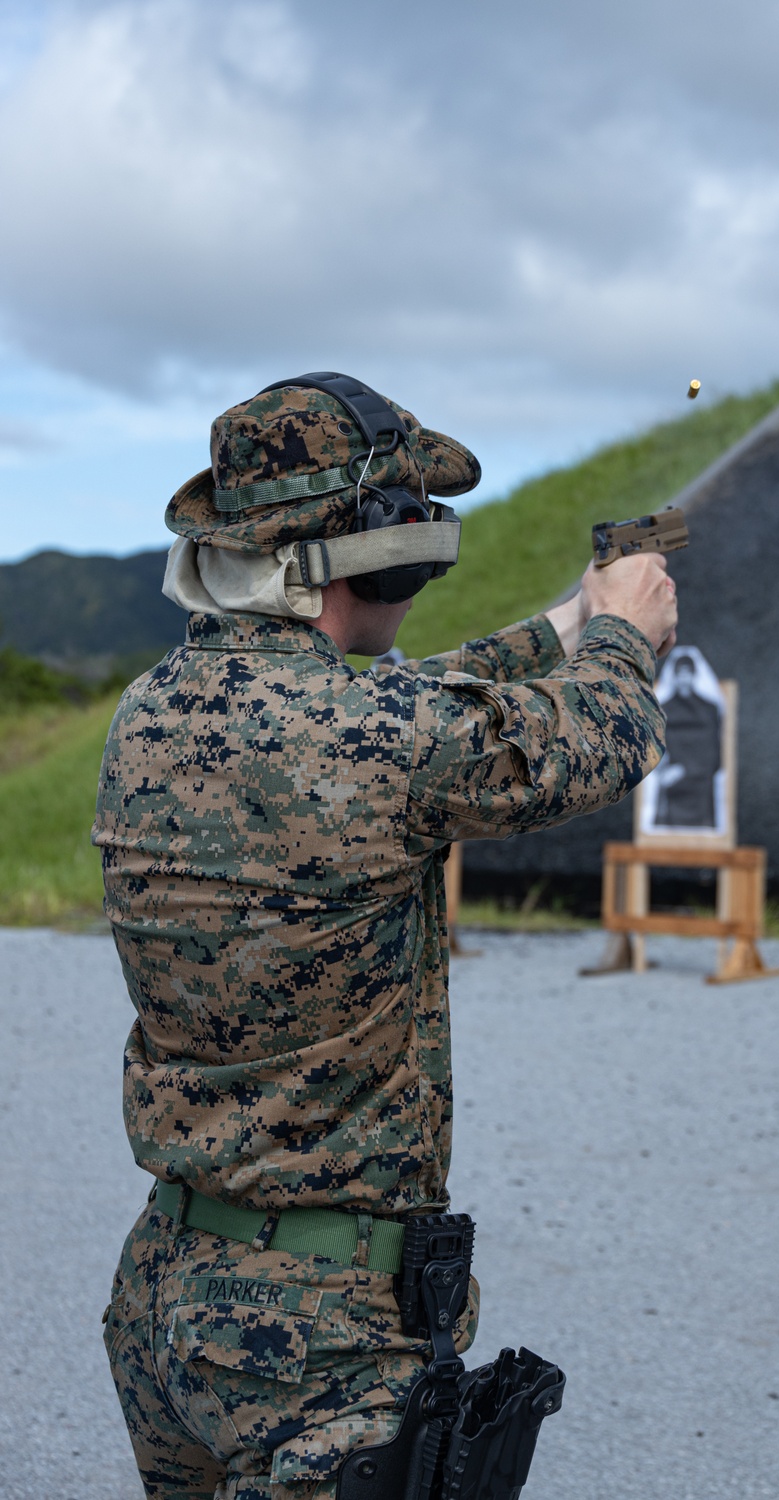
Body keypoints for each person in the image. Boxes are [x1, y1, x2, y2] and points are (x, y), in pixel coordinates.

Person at [93, 372, 678, 1500]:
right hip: (320, 1335)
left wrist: (560, 623)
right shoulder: (382, 743)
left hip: (167, 1287)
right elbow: (588, 745)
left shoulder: (154, 712)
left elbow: (406, 711)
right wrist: (618, 639)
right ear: (372, 550)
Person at [653, 652, 721, 829]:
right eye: (680, 674)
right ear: (674, 676)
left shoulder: (708, 710)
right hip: (672, 790)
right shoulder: (664, 710)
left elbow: (715, 755)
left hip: (700, 788)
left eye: (687, 674)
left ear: (693, 675)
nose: (684, 679)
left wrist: (685, 769)